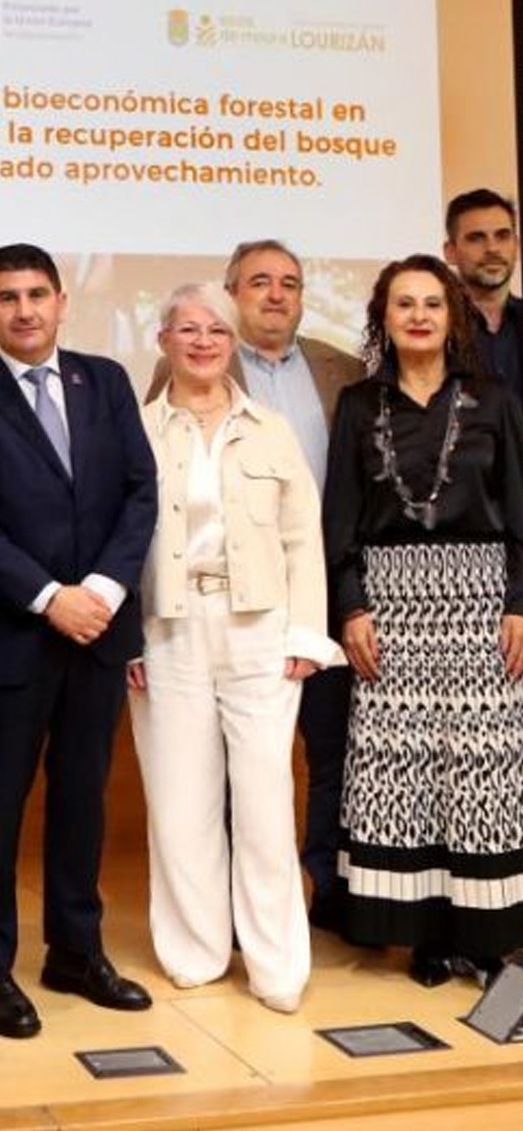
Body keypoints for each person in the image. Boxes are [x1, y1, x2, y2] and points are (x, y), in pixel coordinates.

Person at [0, 244, 156, 1039]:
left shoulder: (108, 382)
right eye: (7, 297)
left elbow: (140, 492)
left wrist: (102, 592)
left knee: (81, 801)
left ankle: (75, 952)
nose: (24, 310)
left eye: (37, 294)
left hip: (98, 632)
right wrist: (47, 597)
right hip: (13, 638)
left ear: (62, 301)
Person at [131, 283, 336, 1015]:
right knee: (179, 802)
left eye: (217, 330)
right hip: (167, 629)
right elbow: (115, 537)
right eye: (188, 329)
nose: (203, 342)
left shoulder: (271, 429)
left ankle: (277, 963)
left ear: (232, 341)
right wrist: (125, 636)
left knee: (265, 803)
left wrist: (305, 633)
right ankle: (195, 951)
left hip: (260, 631)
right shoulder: (137, 431)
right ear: (165, 340)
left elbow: (302, 538)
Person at [147, 239, 361, 929]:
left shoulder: (343, 370)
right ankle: (231, 920)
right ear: (232, 295)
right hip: (220, 604)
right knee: (223, 775)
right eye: (260, 282)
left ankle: (324, 894)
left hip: (324, 589)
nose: (276, 294)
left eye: (289, 283)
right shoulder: (186, 365)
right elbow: (155, 496)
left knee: (329, 752)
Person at [324, 253, 523, 984]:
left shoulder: (494, 400)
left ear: (453, 316)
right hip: (390, 609)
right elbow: (340, 516)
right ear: (383, 316)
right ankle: (427, 940)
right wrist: (351, 606)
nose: (418, 315)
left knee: (481, 770)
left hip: (483, 605)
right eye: (404, 303)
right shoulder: (357, 404)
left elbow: (522, 508)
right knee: (403, 773)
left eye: (432, 303)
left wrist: (520, 604)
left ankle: (485, 937)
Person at [443, 188, 523, 402]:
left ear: (517, 245)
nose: (492, 248)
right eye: (476, 238)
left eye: (503, 236)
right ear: (450, 251)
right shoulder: (431, 326)